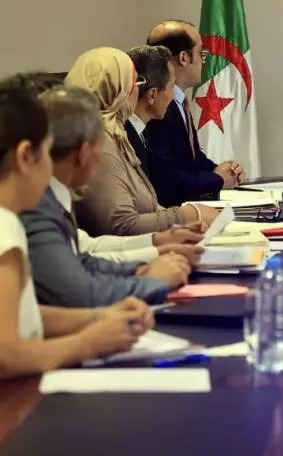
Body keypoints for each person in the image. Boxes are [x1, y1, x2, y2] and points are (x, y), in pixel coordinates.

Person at [0, 82, 152, 379]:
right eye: (47, 153)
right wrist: (86, 343)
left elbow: (22, 314)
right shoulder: (5, 226)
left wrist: (98, 317)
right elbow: (5, 355)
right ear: (25, 156)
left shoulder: (11, 221)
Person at [21, 85, 199, 307]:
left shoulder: (50, 197)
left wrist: (148, 258)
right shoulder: (36, 206)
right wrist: (152, 281)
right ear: (84, 153)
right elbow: (81, 293)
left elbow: (83, 258)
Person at [65, 47, 219, 235]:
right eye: (134, 82)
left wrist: (185, 222)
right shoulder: (100, 139)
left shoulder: (115, 134)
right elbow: (120, 224)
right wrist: (187, 216)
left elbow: (149, 206)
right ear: (117, 88)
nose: (137, 90)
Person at [144, 20, 244, 206]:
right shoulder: (158, 107)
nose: (203, 60)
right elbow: (167, 180)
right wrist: (217, 179)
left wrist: (227, 171)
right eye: (201, 53)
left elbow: (192, 159)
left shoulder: (179, 101)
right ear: (184, 57)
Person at [125, 45, 176, 177]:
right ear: (152, 95)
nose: (173, 96)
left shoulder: (143, 133)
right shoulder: (124, 140)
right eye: (171, 87)